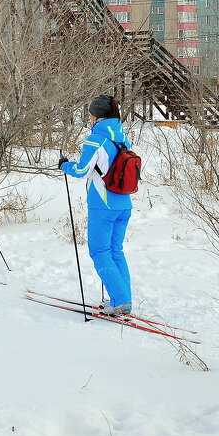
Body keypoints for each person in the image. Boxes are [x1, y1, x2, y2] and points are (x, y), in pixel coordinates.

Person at [59, 94, 134, 315]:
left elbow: (82, 170)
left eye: (90, 112)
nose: (89, 116)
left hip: (103, 204)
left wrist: (65, 165)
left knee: (100, 251)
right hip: (124, 202)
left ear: (96, 115)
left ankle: (121, 301)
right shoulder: (122, 137)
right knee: (115, 251)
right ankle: (122, 298)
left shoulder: (95, 139)